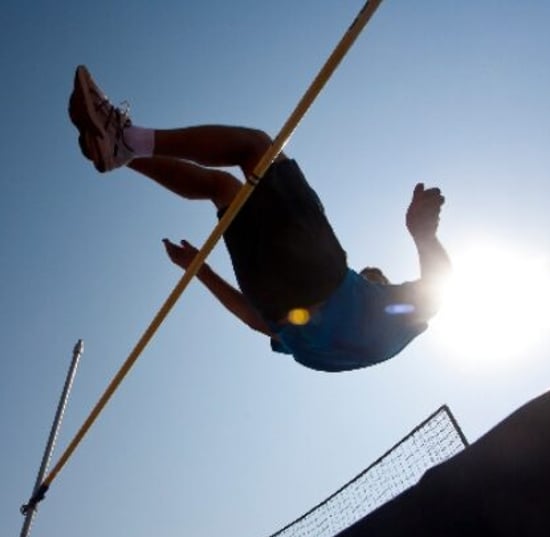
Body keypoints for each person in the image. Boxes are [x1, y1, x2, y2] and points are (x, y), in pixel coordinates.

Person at [68, 65, 452, 372]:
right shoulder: (331, 342)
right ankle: (122, 153)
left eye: (375, 277)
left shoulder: (390, 310)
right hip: (272, 301)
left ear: (380, 285)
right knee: (223, 190)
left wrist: (423, 235)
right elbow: (256, 320)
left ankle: (128, 141)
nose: (374, 277)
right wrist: (198, 270)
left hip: (318, 275)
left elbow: (440, 290)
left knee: (256, 149)